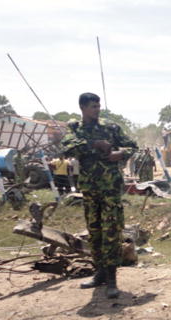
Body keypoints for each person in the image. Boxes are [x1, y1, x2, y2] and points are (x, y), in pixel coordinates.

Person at [61, 92, 138, 299]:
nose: (97, 109)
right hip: (89, 189)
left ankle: (112, 278)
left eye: (98, 106)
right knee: (94, 231)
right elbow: (67, 147)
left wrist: (118, 154)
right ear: (83, 108)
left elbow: (133, 146)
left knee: (111, 231)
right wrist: (95, 144)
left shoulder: (110, 127)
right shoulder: (75, 129)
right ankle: (100, 273)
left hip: (110, 189)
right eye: (93, 106)